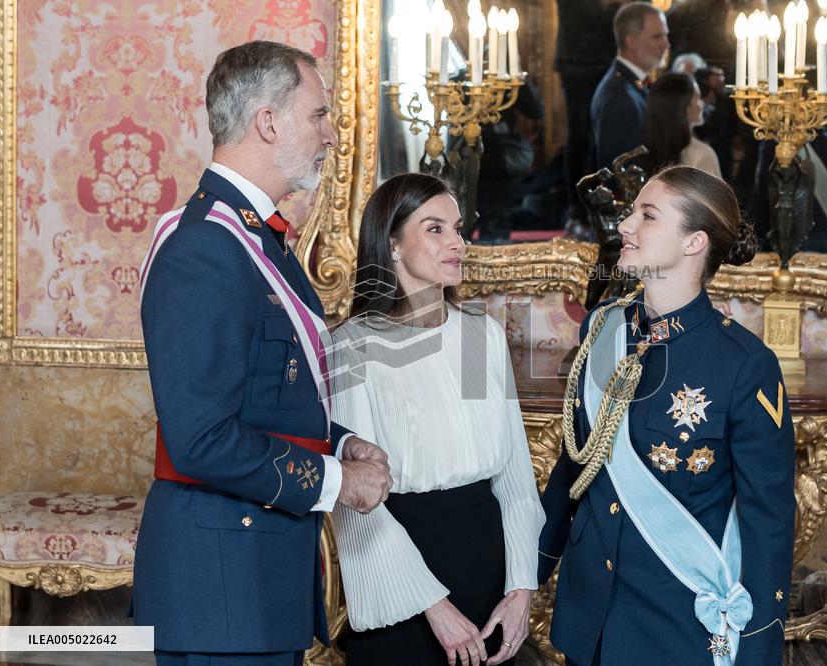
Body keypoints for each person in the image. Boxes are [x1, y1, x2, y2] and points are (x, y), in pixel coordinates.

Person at [135, 41, 393, 665]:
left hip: (251, 580)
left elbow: (264, 397)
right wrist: (336, 480)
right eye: (319, 115)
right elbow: (200, 439)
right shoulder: (206, 247)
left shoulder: (254, 237)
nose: (331, 135)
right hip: (219, 591)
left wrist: (336, 441)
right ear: (269, 123)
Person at [538, 166, 796, 665]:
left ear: (694, 242)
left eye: (647, 215)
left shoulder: (744, 365)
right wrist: (532, 573)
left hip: (674, 625)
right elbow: (576, 466)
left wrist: (758, 645)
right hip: (590, 615)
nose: (625, 225)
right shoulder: (603, 329)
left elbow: (769, 523)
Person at [329, 173, 546, 666]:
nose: (457, 243)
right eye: (435, 229)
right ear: (393, 245)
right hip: (404, 585)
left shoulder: (478, 338)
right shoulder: (354, 348)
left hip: (490, 574)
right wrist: (432, 606)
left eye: (458, 228)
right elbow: (358, 502)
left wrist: (521, 589)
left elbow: (512, 477)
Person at [555, 0, 629, 233]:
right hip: (579, 60)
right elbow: (582, 10)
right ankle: (577, 211)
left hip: (608, 58)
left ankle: (605, 207)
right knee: (579, 138)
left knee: (605, 137)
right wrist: (620, 7)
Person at [590, 2, 670, 171]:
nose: (666, 44)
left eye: (665, 36)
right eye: (657, 37)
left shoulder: (632, 83)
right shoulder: (618, 97)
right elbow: (620, 175)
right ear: (631, 41)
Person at [640, 72, 721, 178]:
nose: (703, 104)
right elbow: (716, 195)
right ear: (685, 107)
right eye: (699, 98)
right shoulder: (702, 154)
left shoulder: (645, 149)